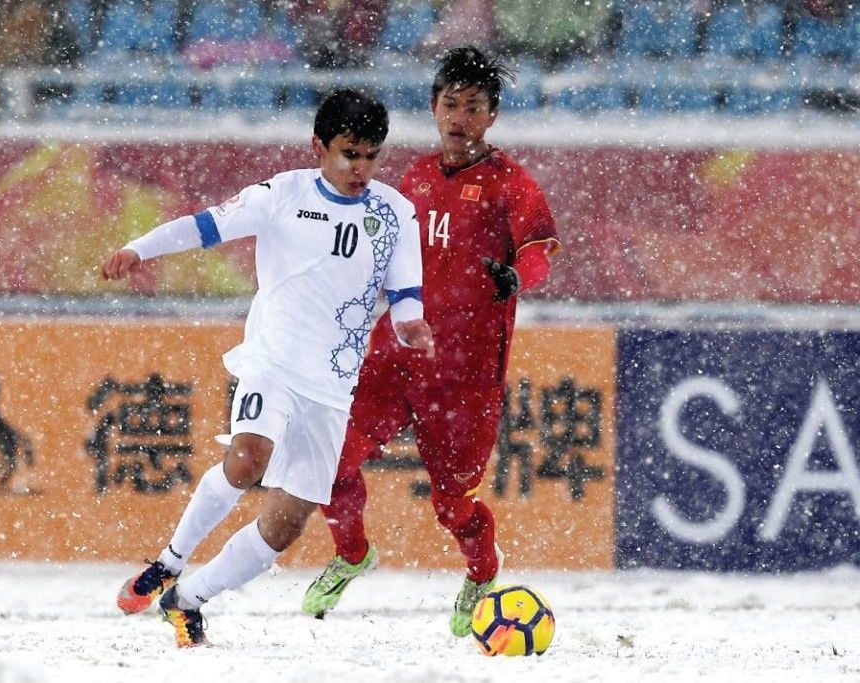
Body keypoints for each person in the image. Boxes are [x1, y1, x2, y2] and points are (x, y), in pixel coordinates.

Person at [104, 88, 434, 648]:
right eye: (349, 153)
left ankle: (187, 599)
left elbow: (406, 290)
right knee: (247, 458)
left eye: (371, 155)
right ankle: (169, 560)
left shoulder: (395, 213)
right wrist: (140, 249)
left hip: (332, 387)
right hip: (274, 363)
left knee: (285, 525)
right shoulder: (281, 194)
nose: (361, 168)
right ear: (319, 146)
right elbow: (205, 226)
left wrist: (410, 322)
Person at [301, 46, 559, 638]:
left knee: (454, 507)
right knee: (328, 463)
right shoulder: (412, 178)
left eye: (473, 107)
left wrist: (518, 277)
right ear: (433, 108)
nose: (459, 117)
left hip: (464, 377)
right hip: (395, 358)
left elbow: (542, 251)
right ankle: (351, 553)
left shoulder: (510, 184)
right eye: (450, 104)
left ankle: (481, 573)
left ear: (492, 116)